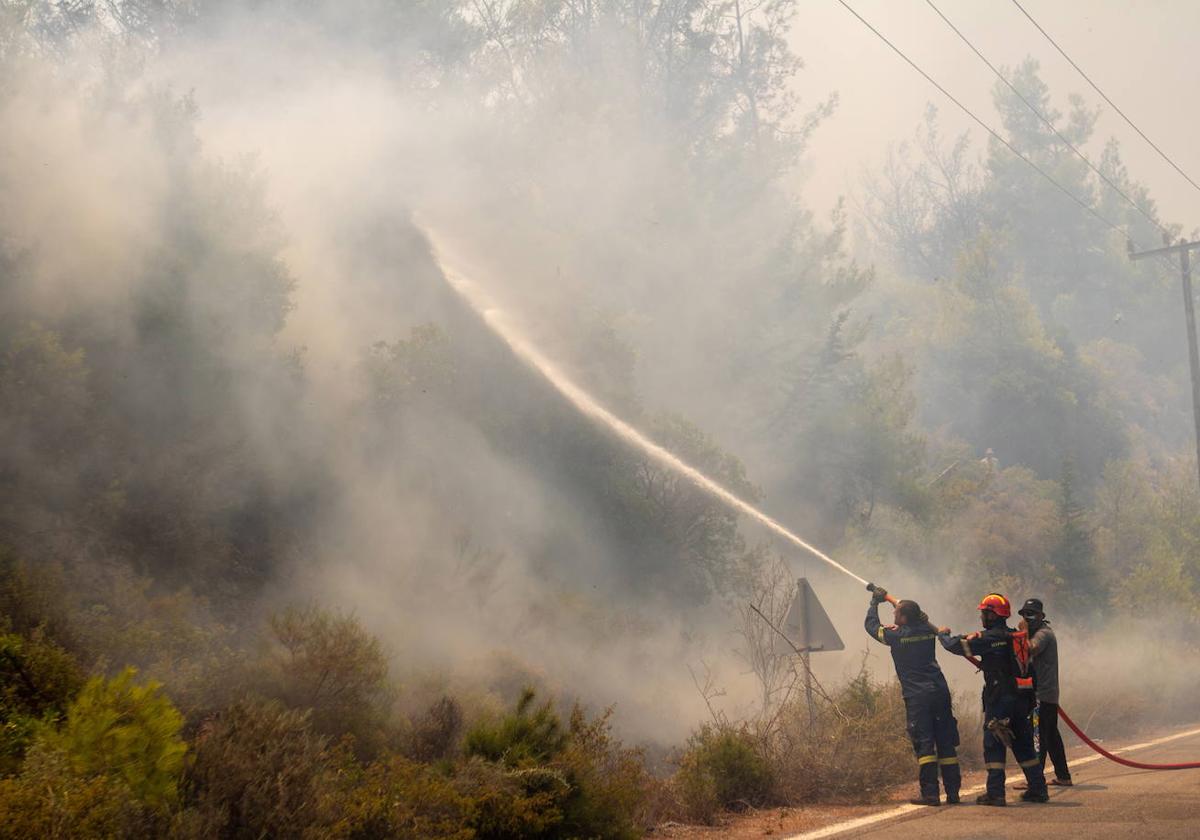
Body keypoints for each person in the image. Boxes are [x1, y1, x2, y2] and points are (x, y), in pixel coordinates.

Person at [939, 593, 1048, 806]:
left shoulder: (990, 638)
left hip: (1001, 700)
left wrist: (943, 635)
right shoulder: (1015, 636)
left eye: (984, 612)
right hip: (1022, 699)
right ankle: (1038, 789)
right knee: (1023, 744)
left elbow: (957, 647)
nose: (981, 616)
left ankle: (996, 793)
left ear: (992, 614)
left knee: (993, 744)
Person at [865, 586, 961, 806]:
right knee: (946, 742)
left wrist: (874, 603)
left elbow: (871, 627)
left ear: (905, 618)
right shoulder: (928, 631)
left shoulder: (895, 636)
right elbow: (924, 623)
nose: (893, 615)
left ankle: (930, 794)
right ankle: (953, 793)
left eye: (896, 612)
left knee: (925, 744)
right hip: (939, 691)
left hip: (918, 697)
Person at [1019, 598, 1072, 786]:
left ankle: (1035, 780)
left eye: (1031, 614)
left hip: (1042, 695)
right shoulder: (1036, 633)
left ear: (1041, 616)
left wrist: (1022, 633)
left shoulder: (1043, 634)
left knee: (1038, 737)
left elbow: (1030, 650)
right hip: (1045, 694)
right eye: (1024, 614)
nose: (1027, 618)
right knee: (1051, 736)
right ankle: (1063, 776)